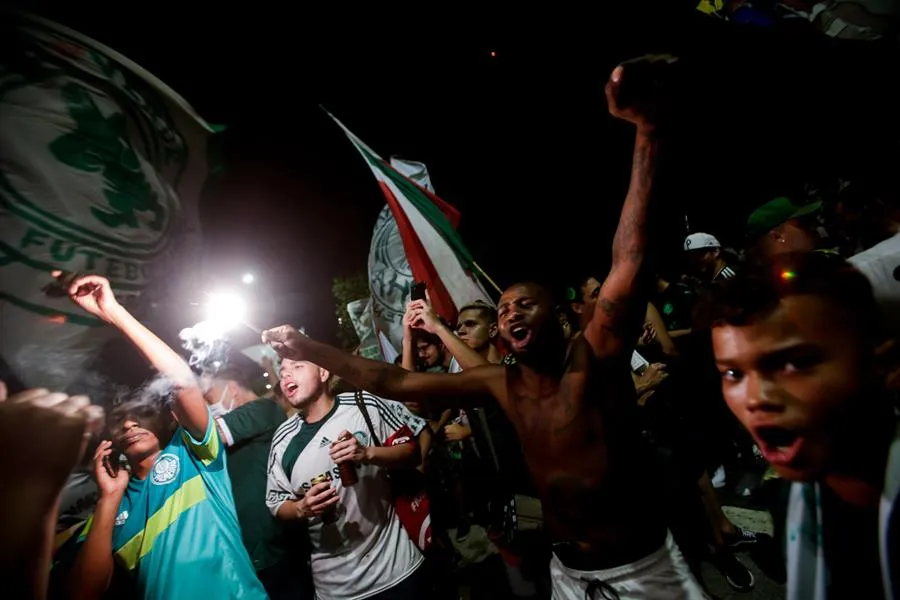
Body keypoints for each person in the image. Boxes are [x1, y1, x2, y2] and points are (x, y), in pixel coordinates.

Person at [263, 55, 707, 599]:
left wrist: (648, 134)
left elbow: (630, 258)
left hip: (642, 567)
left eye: (525, 305)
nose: (510, 313)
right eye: (503, 310)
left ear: (559, 318)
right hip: (568, 575)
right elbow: (392, 381)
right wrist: (307, 345)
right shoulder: (503, 382)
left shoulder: (597, 356)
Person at [698, 252, 899, 600]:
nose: (755, 398)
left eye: (795, 363)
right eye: (733, 373)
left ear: (883, 366)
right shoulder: (792, 499)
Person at [64, 275, 267, 600]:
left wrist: (114, 312)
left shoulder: (193, 455)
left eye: (139, 413)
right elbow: (84, 592)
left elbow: (181, 380)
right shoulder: (112, 504)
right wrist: (108, 499)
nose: (128, 424)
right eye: (117, 420)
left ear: (164, 418)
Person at [265, 357, 428, 600]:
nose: (286, 375)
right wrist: (300, 508)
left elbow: (412, 452)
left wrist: (367, 453)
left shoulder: (364, 405)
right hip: (336, 588)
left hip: (396, 568)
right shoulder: (283, 439)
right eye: (282, 371)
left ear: (323, 373)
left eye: (297, 366)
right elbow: (276, 503)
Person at [204, 363, 312, 599]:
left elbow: (208, 435)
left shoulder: (263, 409)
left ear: (232, 388)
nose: (205, 406)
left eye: (208, 396)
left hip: (276, 547)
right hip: (251, 552)